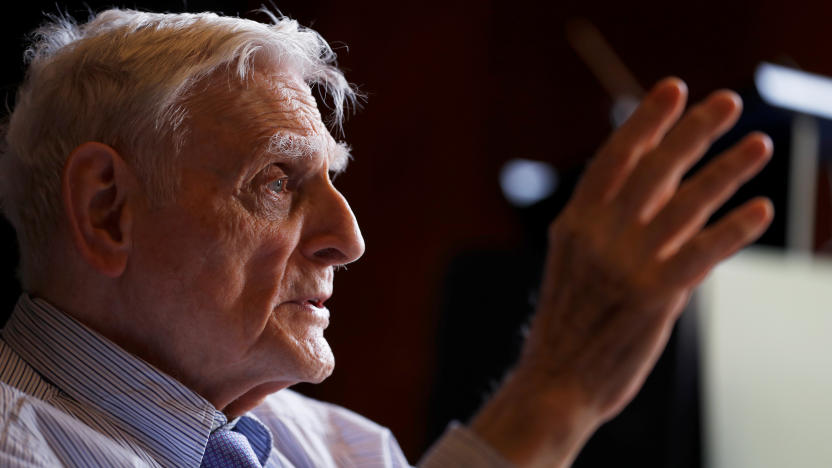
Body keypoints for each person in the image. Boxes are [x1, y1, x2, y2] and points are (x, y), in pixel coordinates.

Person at [0, 8, 773, 468]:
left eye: (334, 180)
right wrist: (555, 389)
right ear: (107, 210)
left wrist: (565, 391)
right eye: (277, 181)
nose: (349, 238)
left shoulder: (335, 444)